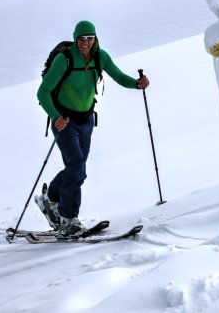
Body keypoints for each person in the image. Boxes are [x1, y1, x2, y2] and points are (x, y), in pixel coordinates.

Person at [36, 20, 149, 237]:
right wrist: (55, 117)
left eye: (90, 38)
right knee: (77, 167)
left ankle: (49, 199)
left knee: (76, 168)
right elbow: (43, 92)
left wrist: (136, 83)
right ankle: (68, 220)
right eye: (82, 38)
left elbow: (119, 76)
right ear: (76, 38)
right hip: (64, 121)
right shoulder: (64, 59)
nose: (86, 42)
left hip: (86, 120)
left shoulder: (101, 57)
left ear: (95, 39)